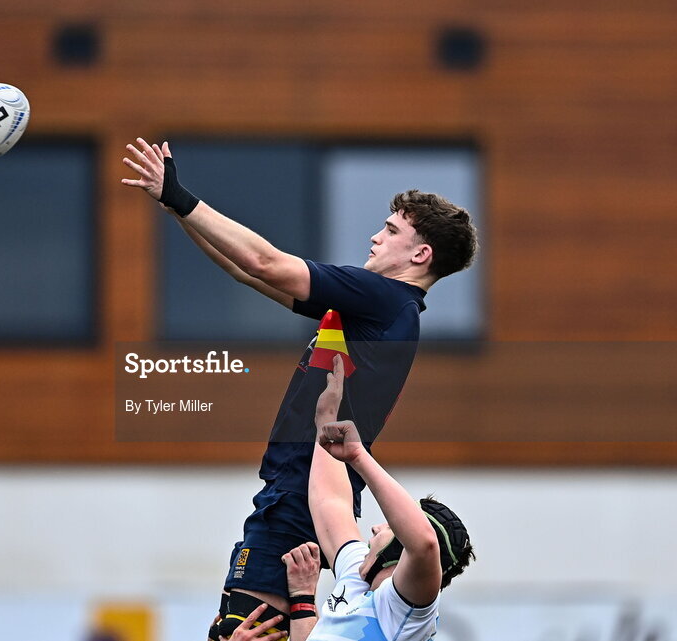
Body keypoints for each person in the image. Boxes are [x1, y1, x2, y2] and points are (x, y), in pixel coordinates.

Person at [121, 139, 478, 638]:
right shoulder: (377, 309)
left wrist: (181, 197)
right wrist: (174, 206)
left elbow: (267, 261)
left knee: (236, 634)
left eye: (391, 230)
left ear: (420, 254)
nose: (375, 238)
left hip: (298, 494)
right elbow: (245, 270)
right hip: (302, 490)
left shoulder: (382, 297)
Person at [230, 357, 474, 641]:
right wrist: (326, 424)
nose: (375, 528)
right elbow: (331, 503)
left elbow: (424, 544)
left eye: (390, 528)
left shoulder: (405, 610)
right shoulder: (359, 580)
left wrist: (359, 457)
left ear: (403, 550)